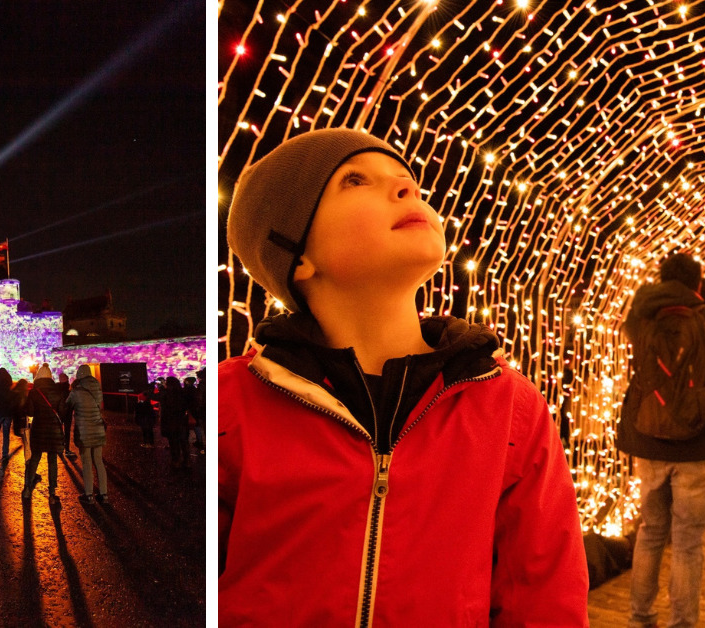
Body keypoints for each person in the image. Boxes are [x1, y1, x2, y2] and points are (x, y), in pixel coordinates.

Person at [219, 128, 588, 624]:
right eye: (354, 180)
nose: (406, 189)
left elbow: (544, 593)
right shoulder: (236, 400)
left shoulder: (507, 405)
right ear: (297, 255)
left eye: (407, 181)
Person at [618, 252, 705, 626]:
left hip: (649, 436)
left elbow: (631, 337)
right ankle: (682, 623)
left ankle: (640, 617)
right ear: (698, 281)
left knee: (650, 533)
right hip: (701, 441)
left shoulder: (642, 313)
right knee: (688, 542)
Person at [24, 365, 66, 506]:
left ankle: (27, 489)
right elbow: (63, 412)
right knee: (52, 460)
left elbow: (29, 412)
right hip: (53, 430)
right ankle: (52, 493)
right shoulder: (58, 391)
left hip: (39, 429)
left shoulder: (34, 392)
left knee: (35, 458)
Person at [68, 364, 107, 503]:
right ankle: (104, 494)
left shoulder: (76, 391)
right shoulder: (97, 387)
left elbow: (68, 405)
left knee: (86, 462)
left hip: (84, 430)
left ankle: (89, 494)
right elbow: (100, 404)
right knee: (99, 461)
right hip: (97, 428)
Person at [159, 377, 189, 469]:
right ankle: (186, 461)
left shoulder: (166, 394)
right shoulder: (182, 393)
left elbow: (164, 410)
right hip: (181, 421)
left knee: (173, 442)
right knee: (184, 442)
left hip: (170, 421)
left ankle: (176, 461)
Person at [57, 371, 78, 461]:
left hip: (59, 413)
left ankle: (59, 448)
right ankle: (67, 449)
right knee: (67, 432)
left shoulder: (56, 390)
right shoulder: (69, 391)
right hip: (68, 414)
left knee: (59, 431)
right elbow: (72, 403)